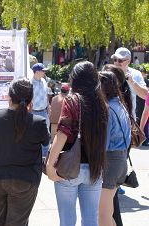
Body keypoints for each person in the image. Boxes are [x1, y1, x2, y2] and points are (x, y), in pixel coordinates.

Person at [46, 61, 108, 226]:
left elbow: (62, 135)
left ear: (75, 79)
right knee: (90, 220)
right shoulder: (102, 103)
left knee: (67, 221)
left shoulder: (72, 100)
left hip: (69, 167)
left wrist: (50, 165)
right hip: (95, 167)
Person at [0, 78, 50, 226]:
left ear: (9, 97)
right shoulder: (39, 122)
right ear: (31, 99)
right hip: (26, 179)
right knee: (17, 222)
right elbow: (46, 144)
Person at [102, 63, 134, 226]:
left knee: (103, 216)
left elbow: (104, 144)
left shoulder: (108, 109)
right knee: (109, 214)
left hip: (111, 162)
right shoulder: (120, 104)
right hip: (121, 160)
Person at [111, 47, 146, 119]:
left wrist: (132, 82)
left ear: (128, 61)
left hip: (129, 120)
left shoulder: (135, 74)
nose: (117, 63)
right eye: (115, 59)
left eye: (120, 60)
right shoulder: (108, 73)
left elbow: (145, 95)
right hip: (110, 120)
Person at [30, 63, 51, 157]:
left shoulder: (43, 81)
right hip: (33, 113)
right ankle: (34, 156)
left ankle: (44, 157)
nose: (44, 72)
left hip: (43, 111)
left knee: (46, 134)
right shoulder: (29, 83)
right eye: (43, 71)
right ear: (37, 72)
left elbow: (46, 94)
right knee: (33, 134)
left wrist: (48, 107)